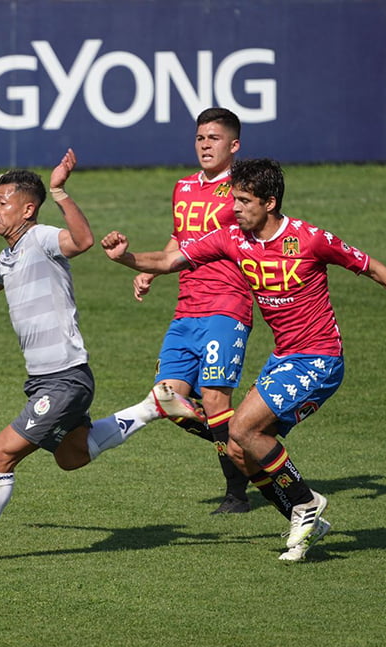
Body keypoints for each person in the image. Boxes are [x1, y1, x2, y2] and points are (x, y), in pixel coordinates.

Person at [102, 158, 386, 561]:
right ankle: (305, 520)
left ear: (270, 202)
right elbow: (167, 262)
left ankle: (306, 503)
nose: (235, 208)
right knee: (237, 447)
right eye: (234, 199)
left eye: (244, 201)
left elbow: (371, 268)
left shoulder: (309, 239)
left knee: (243, 428)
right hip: (282, 358)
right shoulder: (231, 238)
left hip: (319, 358)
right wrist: (125, 257)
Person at [0, 149, 203, 565]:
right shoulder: (10, 254)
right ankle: (152, 407)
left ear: (27, 209)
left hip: (65, 378)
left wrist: (59, 191)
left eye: (2, 203)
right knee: (72, 456)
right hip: (45, 379)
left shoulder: (41, 238)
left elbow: (82, 241)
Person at [132, 107, 256, 514]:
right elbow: (179, 238)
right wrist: (152, 271)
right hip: (187, 309)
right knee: (166, 400)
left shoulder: (242, 191)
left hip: (227, 305)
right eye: (200, 138)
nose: (205, 145)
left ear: (233, 145)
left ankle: (236, 493)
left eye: (214, 138)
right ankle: (247, 442)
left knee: (216, 401)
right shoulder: (183, 187)